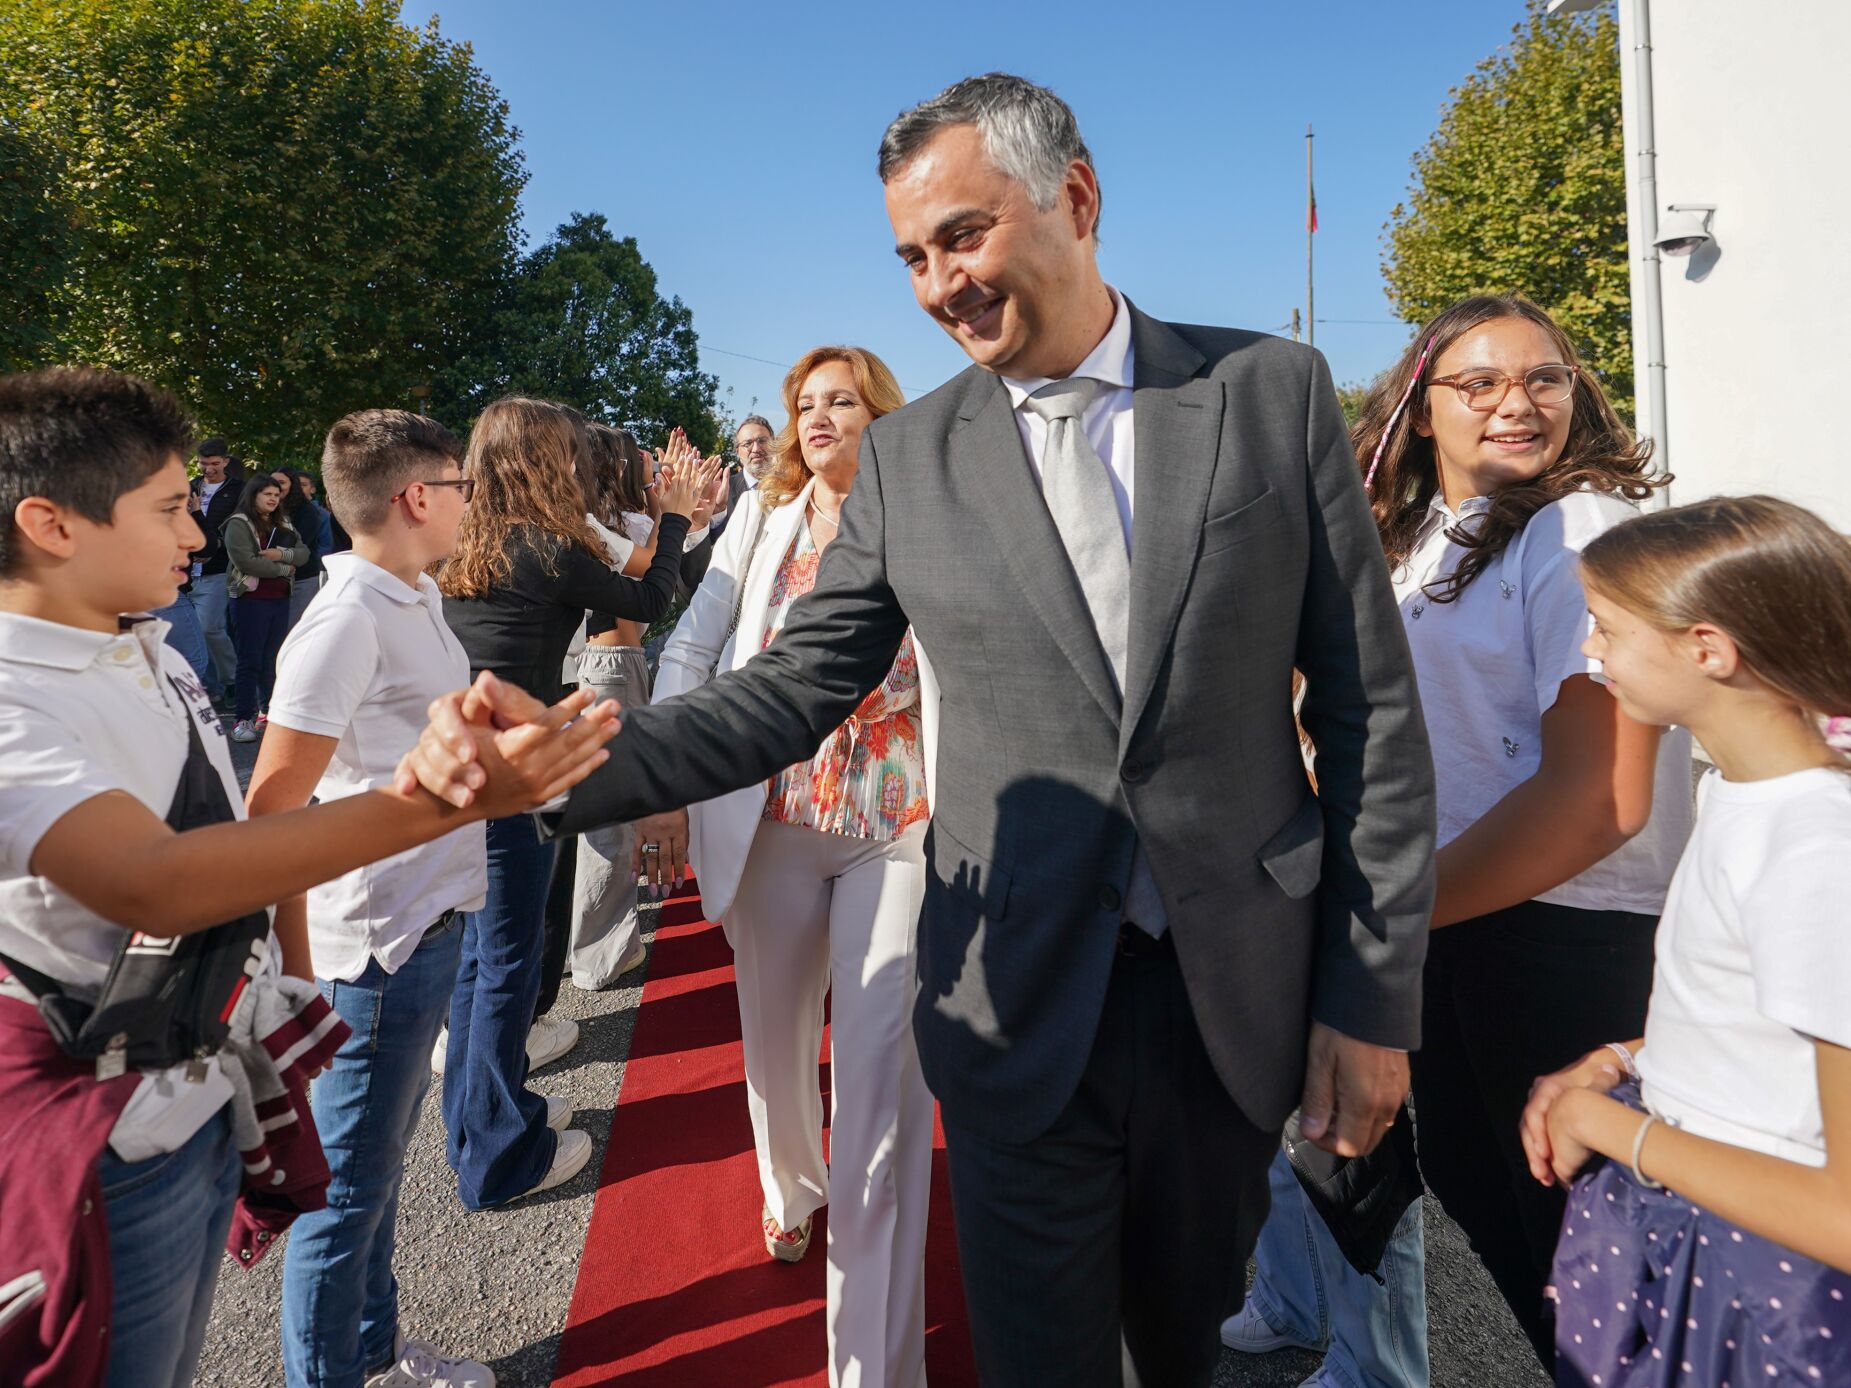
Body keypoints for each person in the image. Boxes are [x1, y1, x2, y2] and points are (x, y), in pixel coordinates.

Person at [403, 73, 1436, 1387]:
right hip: (1009, 991)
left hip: (1229, 993)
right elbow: (792, 687)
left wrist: (1369, 997)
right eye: (910, 256)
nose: (938, 282)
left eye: (960, 234)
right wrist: (560, 763)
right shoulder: (908, 459)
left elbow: (1368, 715)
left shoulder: (1267, 391)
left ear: (1074, 196)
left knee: (1182, 1345)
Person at [0, 367, 618, 1388]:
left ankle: (368, 1353)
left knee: (361, 1196)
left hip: (197, 1068)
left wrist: (452, 740)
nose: (197, 536)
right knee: (339, 1213)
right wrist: (446, 801)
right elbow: (154, 874)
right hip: (111, 1125)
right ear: (51, 524)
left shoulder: (139, 644)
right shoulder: (22, 690)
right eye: (168, 510)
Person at [1334, 295, 1690, 1373]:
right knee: (1499, 1241)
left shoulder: (1576, 527)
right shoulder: (1430, 535)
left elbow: (1600, 799)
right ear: (1419, 406)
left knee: (1603, 1288)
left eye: (1545, 378)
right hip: (1467, 928)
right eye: (1478, 382)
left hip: (1569, 943)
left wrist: (1391, 918)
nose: (1516, 402)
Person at [629, 346, 936, 1385]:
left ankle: (874, 1364)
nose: (815, 417)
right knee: (775, 1039)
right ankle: (792, 1185)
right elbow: (689, 648)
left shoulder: (926, 516)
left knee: (884, 1069)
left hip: (899, 820)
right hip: (770, 821)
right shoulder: (759, 524)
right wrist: (664, 771)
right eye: (802, 402)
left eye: (839, 400)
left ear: (880, 414)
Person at [1521, 495, 1851, 1386]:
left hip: (1765, 1287)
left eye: (1606, 629)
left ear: (1707, 649)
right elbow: (1768, 1031)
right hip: (1712, 1246)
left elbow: (1842, 1212)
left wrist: (1611, 1130)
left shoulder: (1814, 848)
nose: (1590, 652)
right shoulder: (1743, 797)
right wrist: (1623, 1061)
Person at [251, 411, 512, 1388]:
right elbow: (270, 806)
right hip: (373, 951)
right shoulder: (345, 620)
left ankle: (371, 1353)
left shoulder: (414, 593)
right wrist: (299, 976)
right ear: (415, 498)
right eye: (459, 484)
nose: (468, 501)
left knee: (377, 1183)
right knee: (343, 1200)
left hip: (425, 925)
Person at [434, 398, 711, 1210]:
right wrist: (673, 520)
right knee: (508, 962)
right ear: (543, 460)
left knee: (482, 957)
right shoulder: (547, 545)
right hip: (517, 770)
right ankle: (497, 1155)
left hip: (463, 761)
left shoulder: (464, 537)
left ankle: (486, 1110)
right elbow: (650, 603)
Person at [553, 423, 717, 993]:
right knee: (608, 822)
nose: (657, 469)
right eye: (645, 461)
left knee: (615, 820)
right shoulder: (594, 528)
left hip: (622, 669)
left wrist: (687, 515)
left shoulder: (624, 524)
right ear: (619, 467)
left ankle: (602, 939)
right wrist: (676, 513)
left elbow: (668, 557)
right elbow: (653, 570)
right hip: (605, 673)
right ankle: (596, 954)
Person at [223, 474, 307, 742]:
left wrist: (279, 554)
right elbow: (248, 563)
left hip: (279, 598)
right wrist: (284, 568)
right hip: (249, 600)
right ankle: (242, 720)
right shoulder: (239, 523)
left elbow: (304, 553)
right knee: (250, 661)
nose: (273, 498)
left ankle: (270, 713)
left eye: (275, 494)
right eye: (266, 494)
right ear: (253, 496)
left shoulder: (282, 522)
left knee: (273, 659)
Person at [189, 436, 242, 701]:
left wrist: (215, 548)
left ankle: (230, 679)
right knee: (194, 631)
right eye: (203, 464)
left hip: (219, 569)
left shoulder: (238, 490)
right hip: (188, 571)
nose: (208, 469)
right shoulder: (190, 488)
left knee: (210, 628)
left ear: (226, 462)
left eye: (214, 464)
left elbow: (241, 529)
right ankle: (208, 686)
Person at [274, 464, 335, 626]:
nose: (277, 487)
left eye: (282, 482)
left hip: (301, 577)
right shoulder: (269, 506)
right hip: (272, 577)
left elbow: (312, 544)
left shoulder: (310, 512)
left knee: (293, 627)